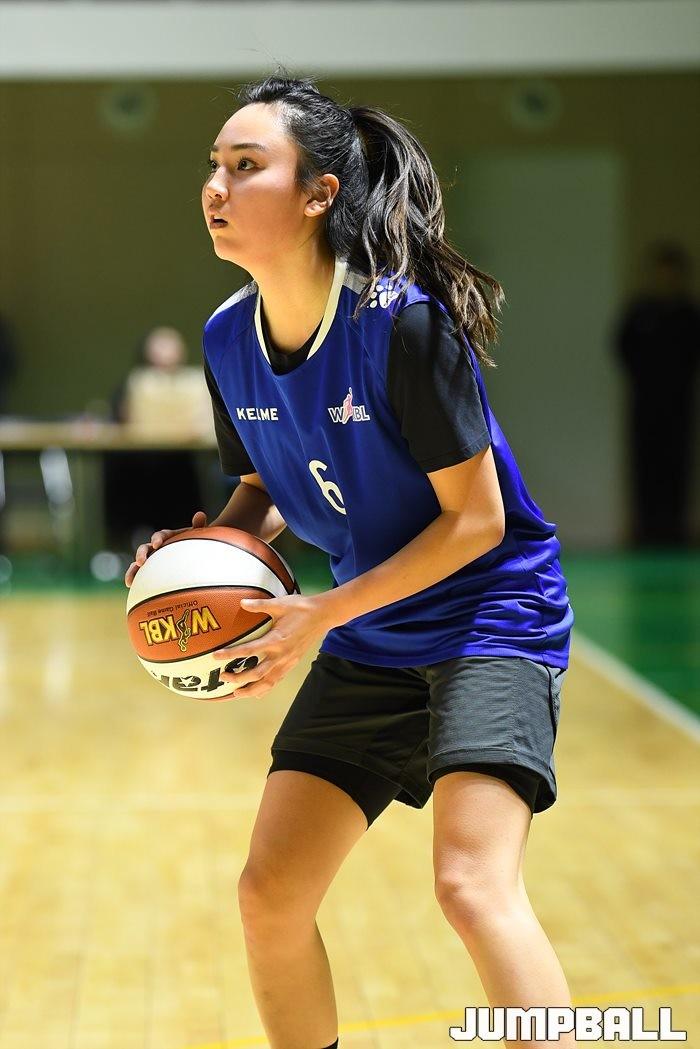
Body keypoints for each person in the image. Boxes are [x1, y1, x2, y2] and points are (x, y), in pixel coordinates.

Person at [125, 73, 575, 1049]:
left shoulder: (401, 323)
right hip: (372, 628)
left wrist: (320, 615)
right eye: (214, 165)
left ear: (318, 193)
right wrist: (207, 552)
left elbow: (477, 523)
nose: (216, 186)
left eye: (247, 165)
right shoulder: (226, 338)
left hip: (488, 618)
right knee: (268, 894)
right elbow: (263, 484)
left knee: (470, 884)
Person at [613, 241, 700, 547]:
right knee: (645, 464)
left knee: (677, 464)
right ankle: (646, 530)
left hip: (679, 402)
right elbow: (622, 347)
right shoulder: (640, 312)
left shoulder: (689, 314)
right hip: (645, 401)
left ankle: (674, 530)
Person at [104, 326, 205, 551]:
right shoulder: (136, 382)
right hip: (142, 463)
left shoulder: (194, 382)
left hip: (185, 463)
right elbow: (122, 418)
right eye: (161, 346)